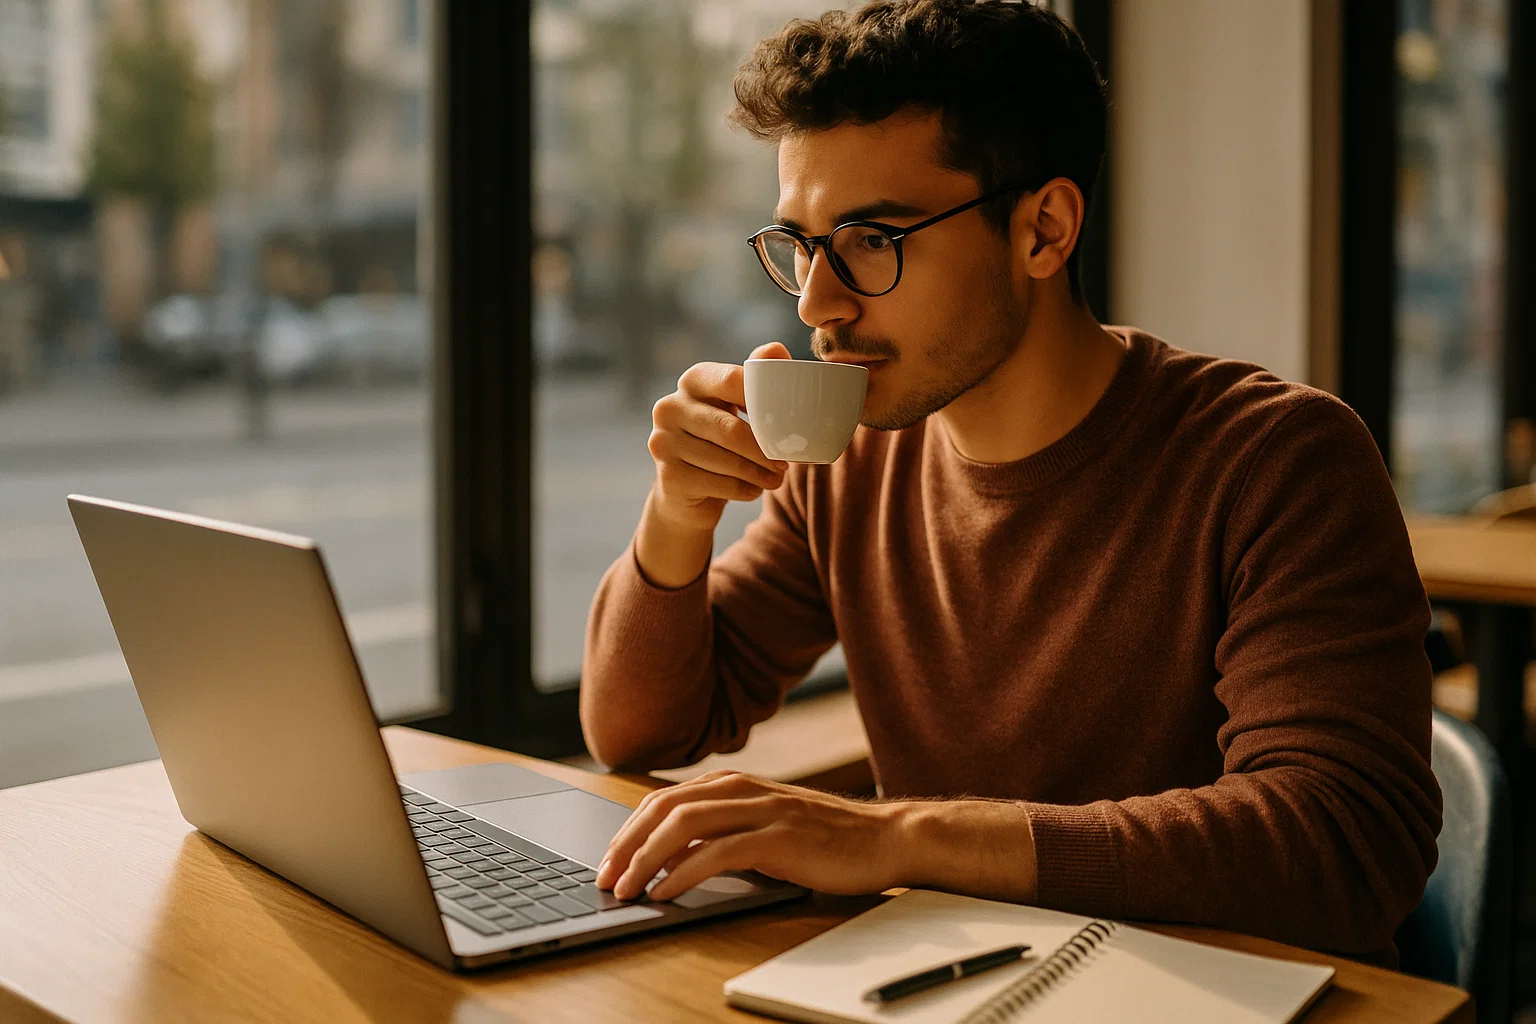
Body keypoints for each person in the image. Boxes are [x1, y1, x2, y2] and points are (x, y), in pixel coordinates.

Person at [580, 0, 1440, 959]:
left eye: (873, 239)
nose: (819, 302)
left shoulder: (1277, 461)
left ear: (1044, 230)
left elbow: (1345, 844)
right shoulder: (853, 459)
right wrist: (678, 517)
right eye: (802, 244)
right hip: (966, 977)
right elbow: (638, 733)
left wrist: (898, 834)